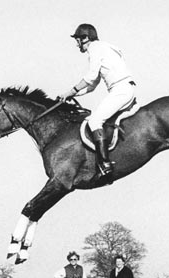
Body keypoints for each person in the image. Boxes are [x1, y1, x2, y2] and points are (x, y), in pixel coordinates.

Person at [57, 23, 136, 177]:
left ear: (86, 38)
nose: (77, 44)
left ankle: (105, 164)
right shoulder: (104, 48)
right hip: (124, 88)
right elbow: (92, 85)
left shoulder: (94, 49)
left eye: (78, 40)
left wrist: (71, 91)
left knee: (94, 121)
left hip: (121, 90)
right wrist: (72, 95)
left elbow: (90, 76)